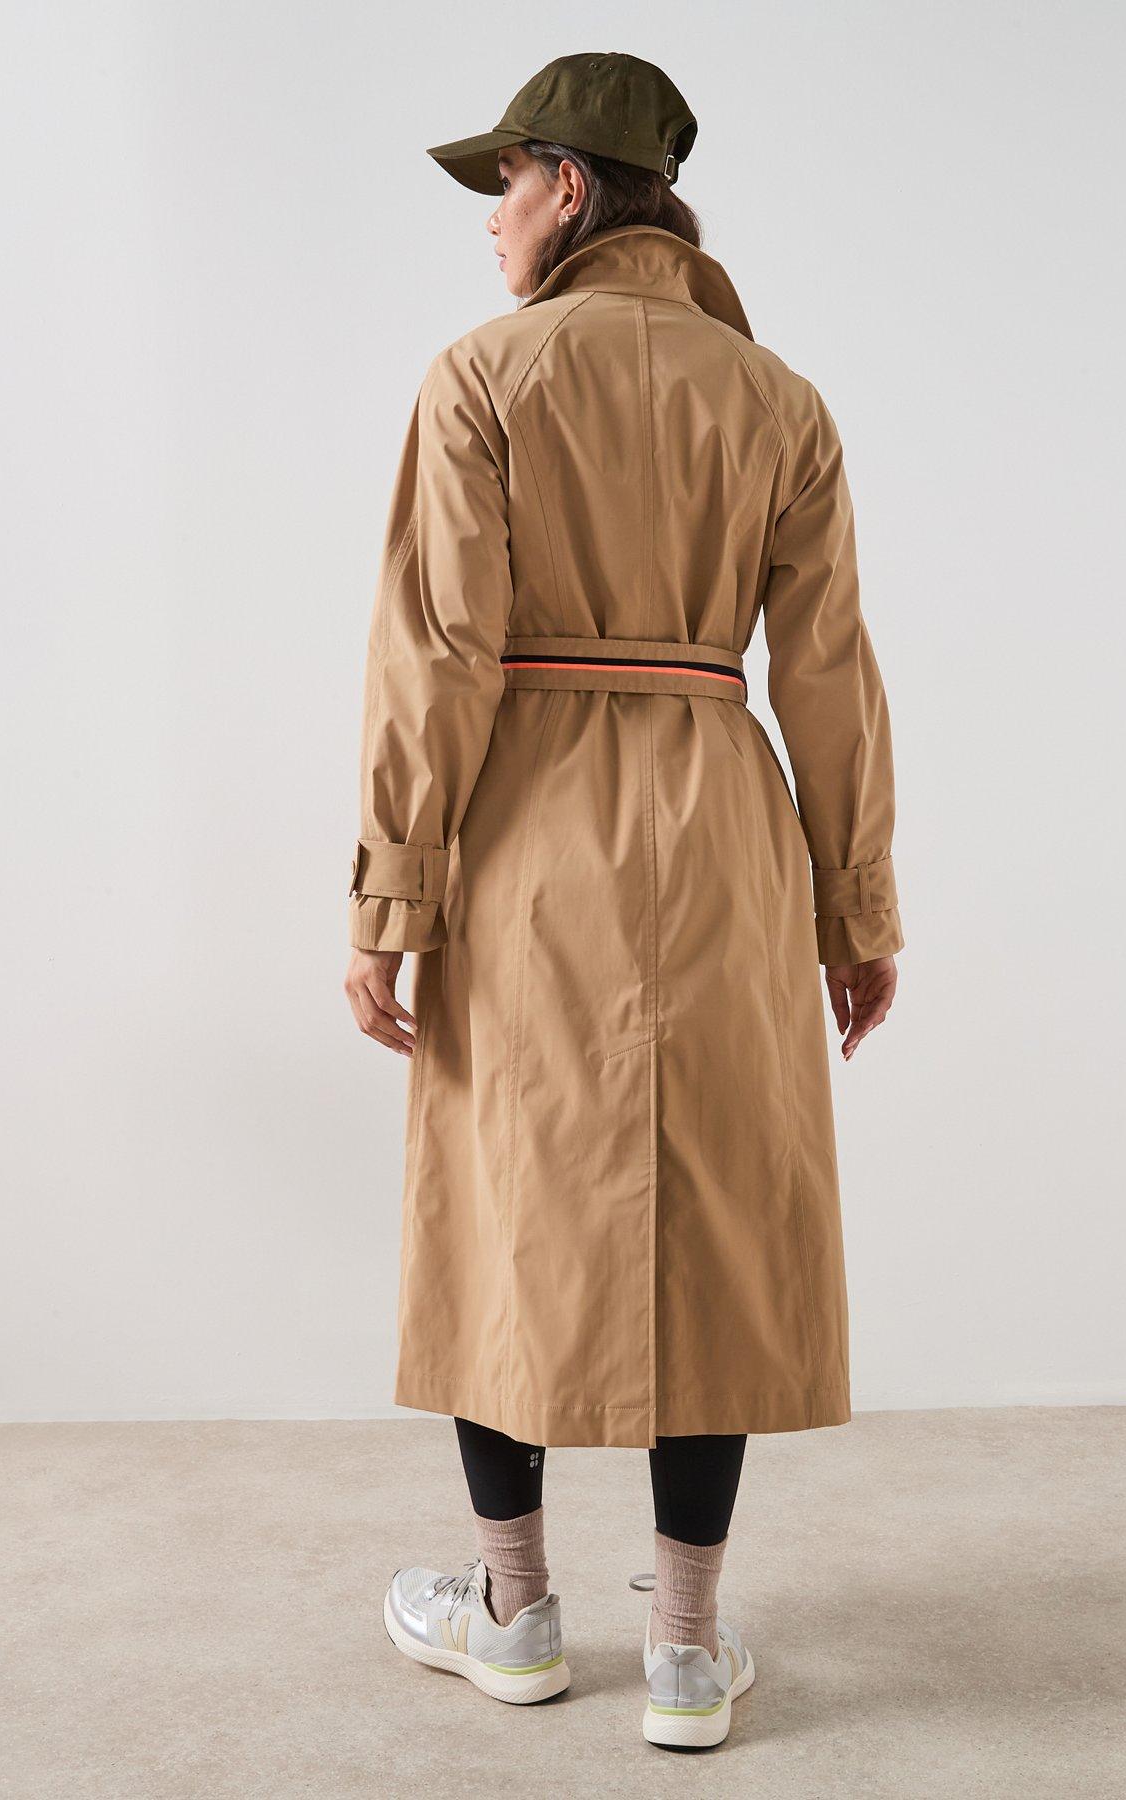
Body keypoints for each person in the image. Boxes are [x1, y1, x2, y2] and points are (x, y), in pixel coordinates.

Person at [343, 51, 903, 1750]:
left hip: (529, 830)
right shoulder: (778, 399)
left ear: (569, 186)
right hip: (722, 824)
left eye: (504, 186)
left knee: (499, 1194)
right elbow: (828, 672)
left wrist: (389, 896)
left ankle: (514, 1613)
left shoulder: (484, 376)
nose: (493, 223)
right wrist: (854, 909)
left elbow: (435, 654)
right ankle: (683, 1645)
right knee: (712, 1207)